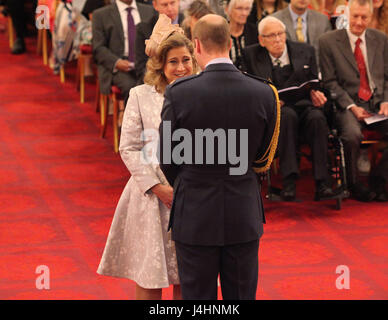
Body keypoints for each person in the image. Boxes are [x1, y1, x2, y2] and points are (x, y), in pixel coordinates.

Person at [159, 14, 279, 299]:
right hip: (243, 211)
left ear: (196, 45)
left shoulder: (179, 93)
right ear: (229, 42)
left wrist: (192, 181)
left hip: (195, 214)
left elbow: (167, 158)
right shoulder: (264, 92)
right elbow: (262, 157)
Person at [97, 17, 198, 300]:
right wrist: (157, 187)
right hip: (150, 197)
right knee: (150, 273)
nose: (181, 68)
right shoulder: (140, 95)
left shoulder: (203, 95)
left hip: (191, 195)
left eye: (186, 60)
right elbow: (128, 147)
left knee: (187, 276)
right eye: (173, 62)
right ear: (160, 66)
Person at [244, 16, 341, 201]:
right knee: (286, 116)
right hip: (278, 112)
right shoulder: (251, 55)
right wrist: (269, 102)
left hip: (305, 107)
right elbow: (249, 88)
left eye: (280, 34)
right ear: (261, 40)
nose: (278, 39)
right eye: (271, 36)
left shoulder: (305, 50)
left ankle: (323, 183)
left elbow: (315, 81)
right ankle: (288, 182)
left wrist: (316, 92)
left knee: (318, 119)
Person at [319, 0, 388, 201]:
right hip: (346, 104)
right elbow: (329, 82)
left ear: (371, 17)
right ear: (346, 15)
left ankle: (379, 178)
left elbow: (386, 77)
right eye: (355, 16)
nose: (359, 22)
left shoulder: (381, 39)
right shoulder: (328, 41)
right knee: (351, 135)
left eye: (364, 17)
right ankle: (354, 183)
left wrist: (386, 101)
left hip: (377, 103)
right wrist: (351, 106)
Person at [92, 0, 155, 104]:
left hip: (146, 63)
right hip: (120, 66)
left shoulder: (149, 11)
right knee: (132, 88)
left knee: (159, 85)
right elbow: (98, 48)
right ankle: (131, 119)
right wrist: (116, 62)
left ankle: (159, 119)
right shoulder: (101, 14)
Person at [135, 0, 184, 84]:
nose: (170, 8)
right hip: (155, 81)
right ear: (155, 5)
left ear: (179, 1)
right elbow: (140, 67)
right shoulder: (143, 29)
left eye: (172, 3)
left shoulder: (189, 24)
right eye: (165, 5)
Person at [225, 0, 258, 71]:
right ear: (227, 9)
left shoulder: (255, 32)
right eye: (239, 8)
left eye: (247, 9)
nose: (244, 13)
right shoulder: (220, 33)